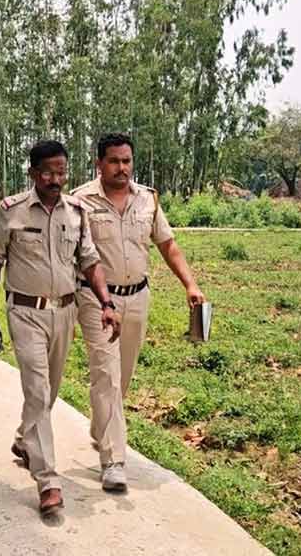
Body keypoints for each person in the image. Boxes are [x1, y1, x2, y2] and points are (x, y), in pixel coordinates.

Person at [0, 139, 120, 516]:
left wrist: (107, 303)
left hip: (65, 312)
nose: (55, 179)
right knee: (38, 389)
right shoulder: (9, 211)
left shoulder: (76, 211)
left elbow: (90, 262)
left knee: (49, 390)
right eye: (47, 172)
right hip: (25, 312)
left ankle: (26, 439)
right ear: (32, 173)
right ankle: (48, 481)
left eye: (61, 172)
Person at [70, 133, 206, 492]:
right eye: (114, 161)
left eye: (127, 160)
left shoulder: (148, 199)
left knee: (122, 377)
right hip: (97, 301)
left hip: (138, 298)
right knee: (107, 375)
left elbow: (168, 245)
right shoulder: (81, 201)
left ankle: (102, 430)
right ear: (99, 163)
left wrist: (190, 285)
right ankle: (114, 460)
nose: (122, 168)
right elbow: (71, 255)